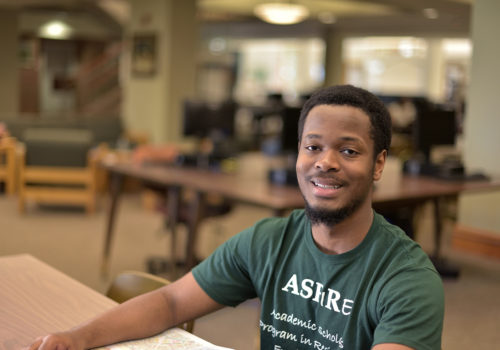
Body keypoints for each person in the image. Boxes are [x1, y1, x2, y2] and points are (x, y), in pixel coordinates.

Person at [26, 85, 444, 350]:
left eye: (348, 151)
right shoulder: (268, 240)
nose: (325, 163)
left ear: (378, 164)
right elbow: (171, 300)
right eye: (312, 147)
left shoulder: (407, 280)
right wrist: (76, 339)